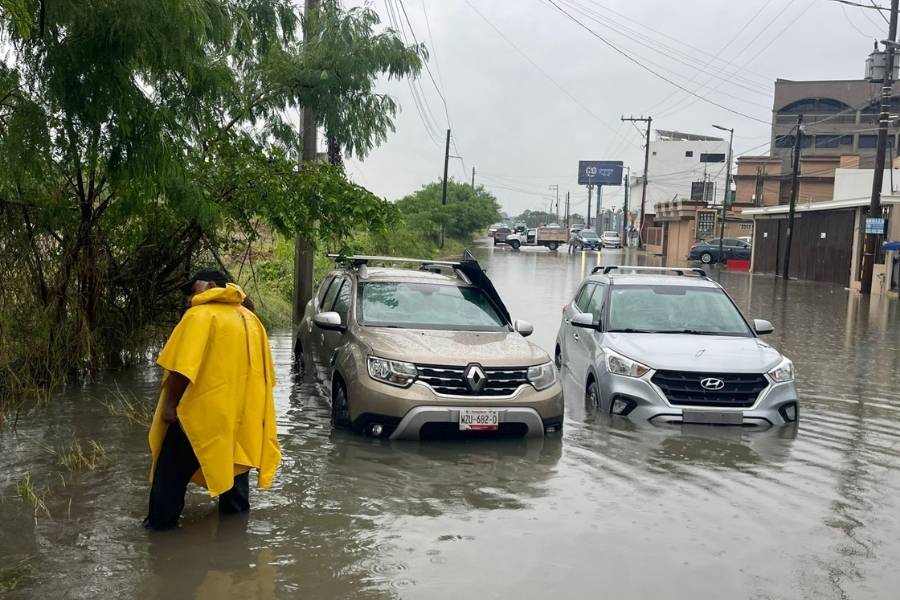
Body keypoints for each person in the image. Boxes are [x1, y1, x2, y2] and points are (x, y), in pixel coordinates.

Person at [144, 270, 281, 530]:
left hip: (200, 416)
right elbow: (265, 379)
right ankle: (235, 538)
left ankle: (160, 532)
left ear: (211, 286)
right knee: (235, 468)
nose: (189, 297)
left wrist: (170, 407)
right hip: (241, 420)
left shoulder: (199, 316)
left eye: (192, 289)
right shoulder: (251, 320)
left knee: (170, 474)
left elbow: (181, 368)